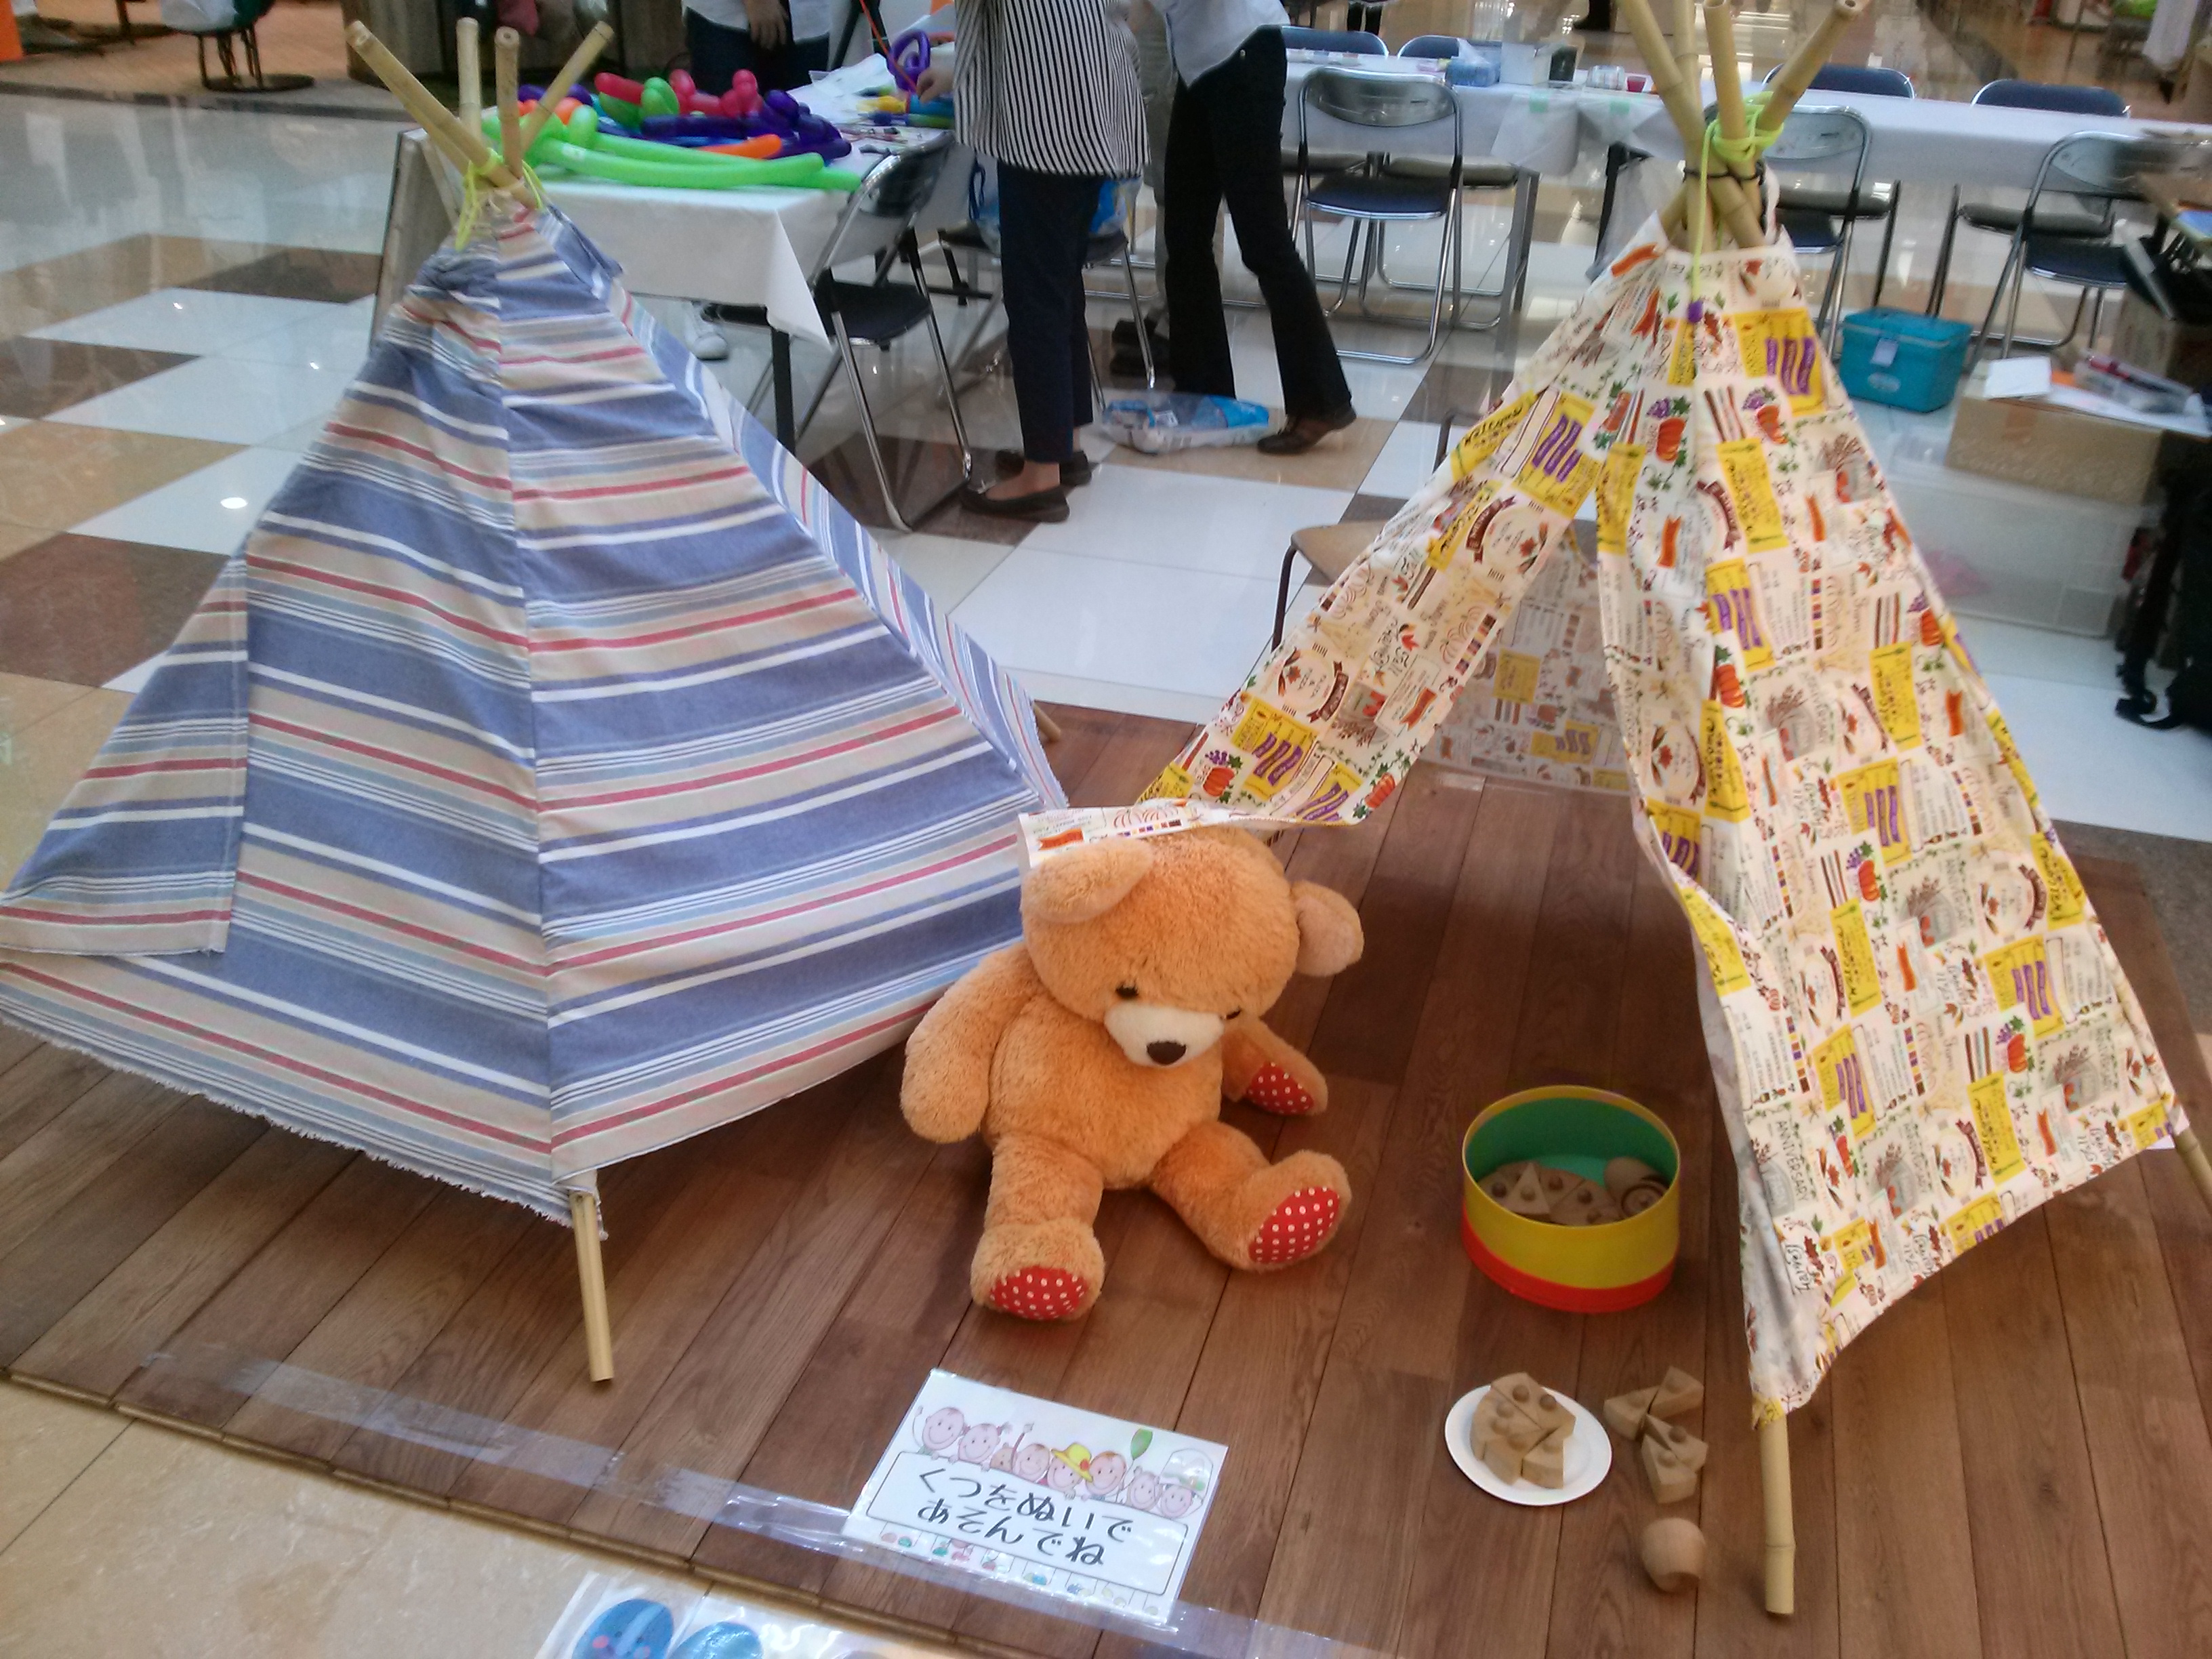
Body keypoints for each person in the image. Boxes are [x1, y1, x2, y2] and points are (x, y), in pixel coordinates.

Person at [921, 0, 1146, 523]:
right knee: (1060, 284)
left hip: (1048, 122)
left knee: (1036, 297)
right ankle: (1063, 444)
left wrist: (953, 66)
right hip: (1092, 106)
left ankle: (1041, 474)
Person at [1153, 0, 1354, 455]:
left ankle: (1321, 400)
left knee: (1263, 240)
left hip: (1240, 55)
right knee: (1184, 234)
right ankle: (1204, 393)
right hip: (1202, 66)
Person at [682, 0, 834, 359]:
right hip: (727, 16)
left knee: (795, 153)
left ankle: (786, 290)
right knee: (721, 154)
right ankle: (702, 299)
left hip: (806, 17)